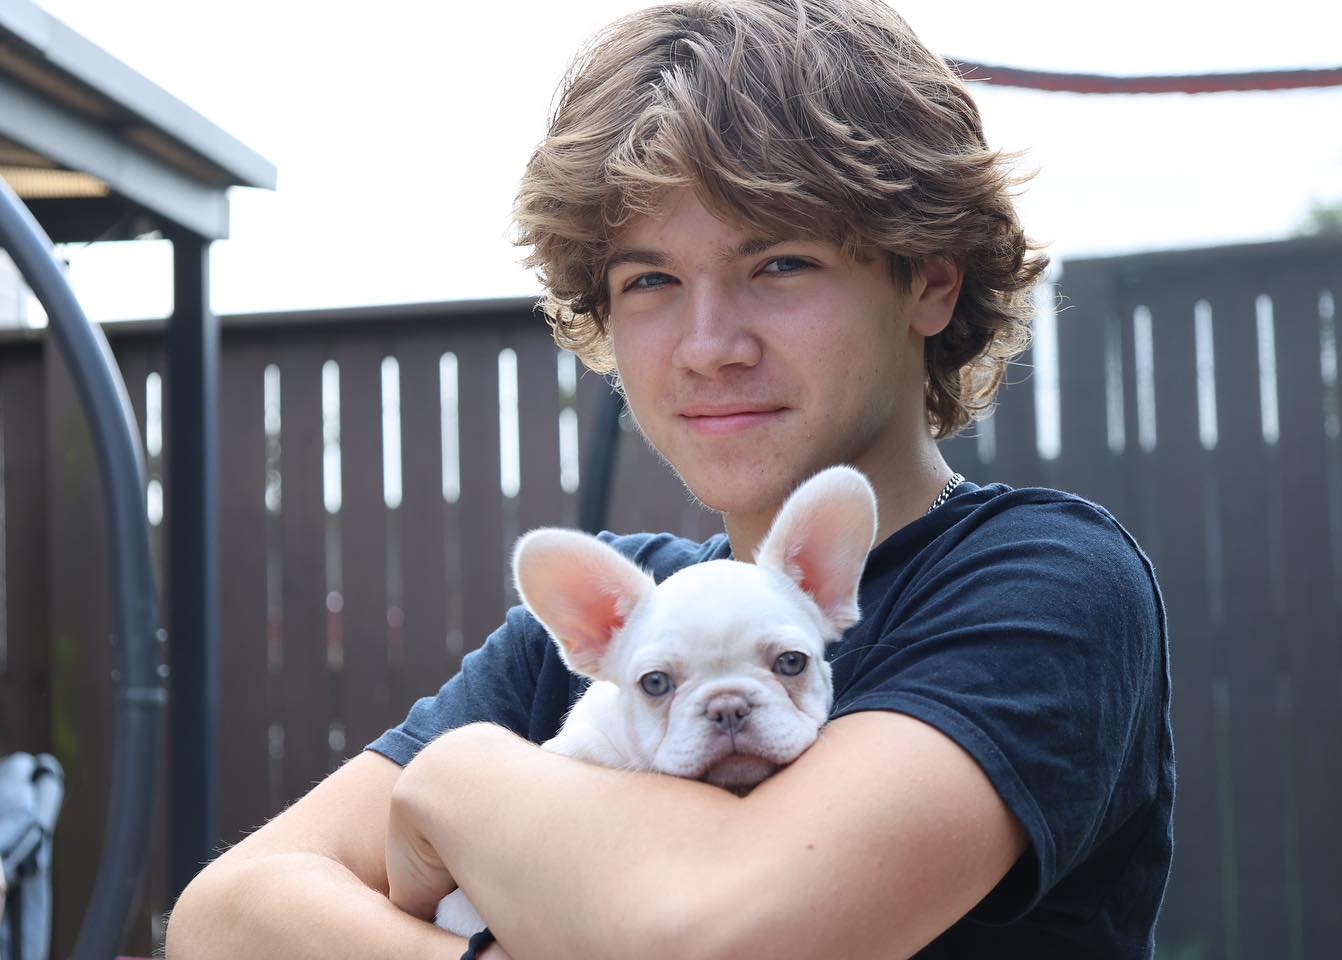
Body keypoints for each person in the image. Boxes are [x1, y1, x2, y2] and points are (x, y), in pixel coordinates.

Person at [167, 0, 1173, 957]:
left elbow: (724, 936)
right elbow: (224, 920)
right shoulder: (600, 612)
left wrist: (461, 779)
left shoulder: (1040, 581)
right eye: (649, 280)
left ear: (931, 278)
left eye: (778, 263)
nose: (708, 345)